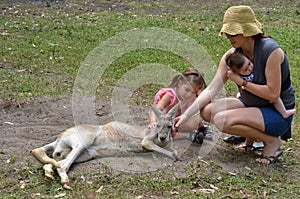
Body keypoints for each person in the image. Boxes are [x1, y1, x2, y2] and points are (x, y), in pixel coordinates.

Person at [174, 5, 295, 164]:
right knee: (208, 111)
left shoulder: (270, 51)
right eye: (227, 33)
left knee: (221, 119)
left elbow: (272, 94)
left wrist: (242, 82)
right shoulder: (232, 56)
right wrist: (186, 115)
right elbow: (211, 89)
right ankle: (250, 135)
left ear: (247, 30)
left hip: (277, 110)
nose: (229, 37)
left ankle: (271, 141)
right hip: (252, 103)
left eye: (234, 32)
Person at [149, 67, 212, 143]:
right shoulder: (170, 95)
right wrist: (153, 122)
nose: (189, 94)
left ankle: (204, 128)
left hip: (178, 121)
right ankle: (189, 135)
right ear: (179, 83)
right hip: (165, 123)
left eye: (193, 92)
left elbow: (207, 104)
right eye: (187, 90)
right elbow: (156, 110)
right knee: (165, 134)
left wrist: (199, 95)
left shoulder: (191, 96)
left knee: (196, 122)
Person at [226, 51, 296, 119]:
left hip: (252, 95)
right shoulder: (244, 77)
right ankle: (284, 113)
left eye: (249, 64)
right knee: (276, 99)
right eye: (246, 69)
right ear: (239, 73)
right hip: (260, 96)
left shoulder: (242, 75)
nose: (250, 68)